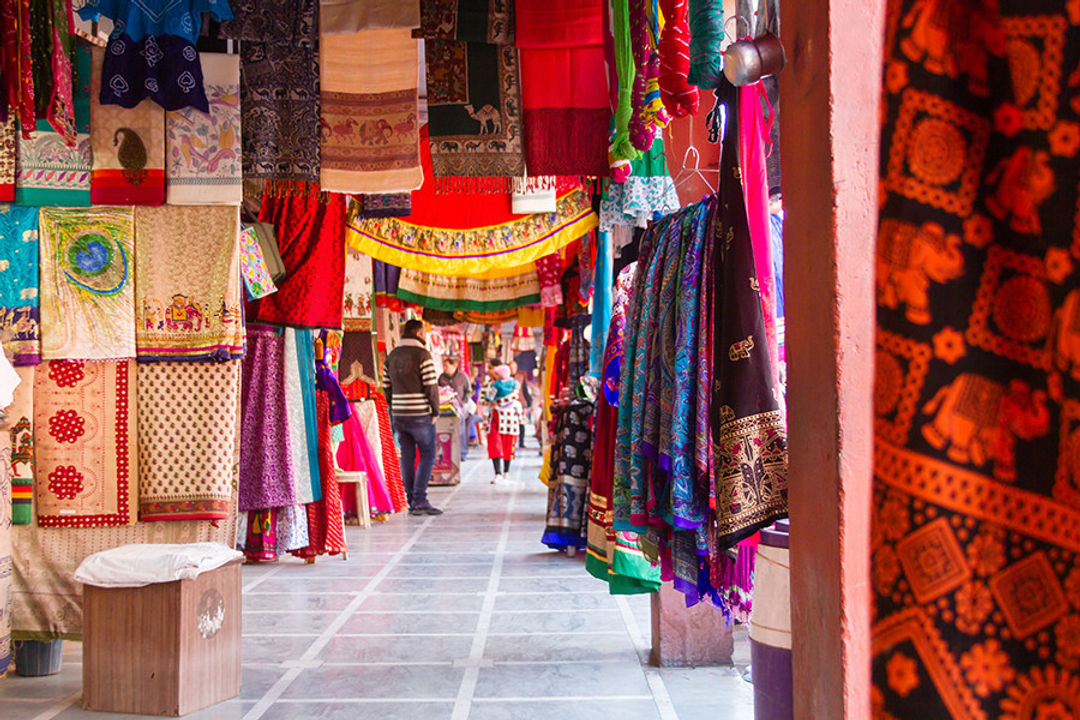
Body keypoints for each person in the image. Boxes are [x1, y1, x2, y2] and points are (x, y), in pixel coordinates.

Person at [382, 319, 443, 516]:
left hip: (399, 413)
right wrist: (435, 410)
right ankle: (419, 499)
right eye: (424, 332)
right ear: (418, 333)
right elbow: (431, 386)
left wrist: (394, 406)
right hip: (420, 414)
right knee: (427, 454)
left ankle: (411, 500)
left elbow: (386, 386)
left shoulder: (391, 356)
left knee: (407, 456)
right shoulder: (422, 355)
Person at [485, 364, 523, 483]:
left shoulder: (495, 385)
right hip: (510, 416)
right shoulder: (515, 383)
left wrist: (492, 401)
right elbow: (517, 394)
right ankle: (505, 472)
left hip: (498, 414)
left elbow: (489, 398)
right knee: (508, 443)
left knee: (495, 443)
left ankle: (499, 473)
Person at [438, 356, 473, 461]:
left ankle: (462, 454)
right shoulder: (442, 377)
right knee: (446, 431)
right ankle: (447, 453)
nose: (444, 368)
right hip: (445, 408)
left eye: (446, 366)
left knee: (461, 431)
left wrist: (463, 403)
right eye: (443, 366)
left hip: (460, 408)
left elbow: (469, 391)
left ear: (454, 366)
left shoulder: (462, 376)